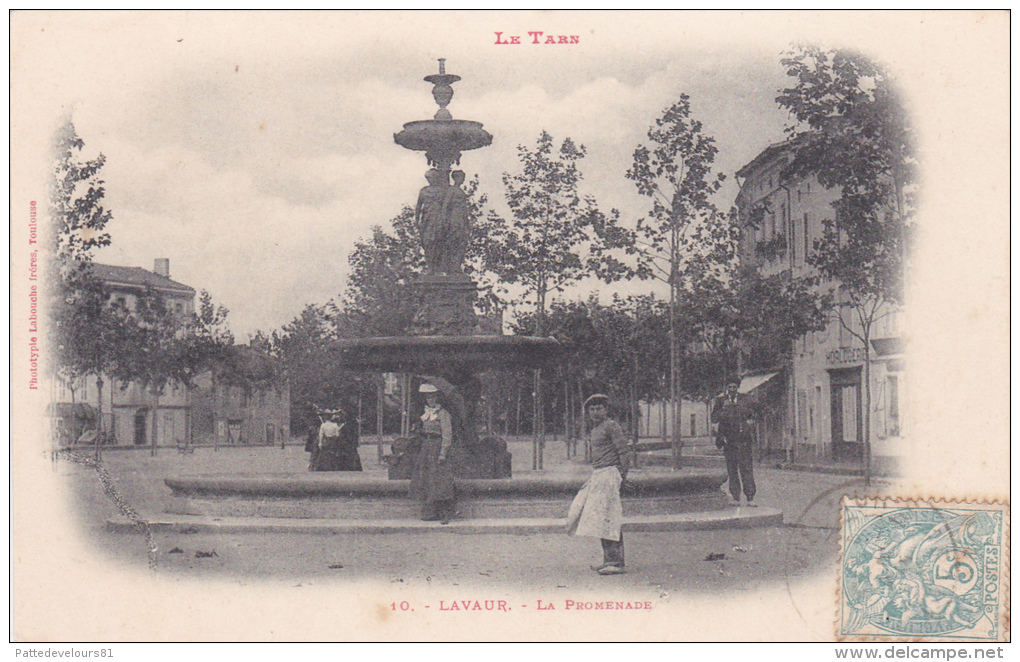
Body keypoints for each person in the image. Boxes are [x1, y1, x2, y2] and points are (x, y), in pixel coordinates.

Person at [566, 394, 632, 575]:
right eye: (592, 409)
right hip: (599, 474)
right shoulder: (595, 429)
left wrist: (621, 477)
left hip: (610, 474)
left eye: (599, 408)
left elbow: (624, 453)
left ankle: (616, 562)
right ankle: (609, 559)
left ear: (606, 410)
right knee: (602, 518)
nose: (595, 412)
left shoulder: (611, 426)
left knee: (610, 517)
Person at [409, 383, 456, 523]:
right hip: (427, 448)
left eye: (433, 396)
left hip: (438, 447)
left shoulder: (443, 414)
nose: (430, 399)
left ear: (438, 397)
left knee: (441, 480)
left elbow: (447, 435)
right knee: (427, 479)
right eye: (428, 397)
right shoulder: (426, 414)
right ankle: (430, 512)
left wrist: (443, 453)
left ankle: (445, 513)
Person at [711, 377, 757, 506]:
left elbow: (753, 414)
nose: (731, 390)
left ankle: (750, 497)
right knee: (732, 470)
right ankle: (736, 497)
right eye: (729, 387)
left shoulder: (746, 399)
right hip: (728, 440)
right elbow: (714, 419)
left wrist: (750, 423)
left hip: (743, 440)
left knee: (746, 468)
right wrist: (723, 410)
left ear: (738, 387)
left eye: (734, 387)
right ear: (726, 388)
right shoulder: (720, 401)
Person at [311, 407, 363, 472]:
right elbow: (337, 434)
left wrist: (320, 442)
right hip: (335, 441)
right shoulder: (335, 425)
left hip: (328, 441)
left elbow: (321, 434)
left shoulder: (324, 425)